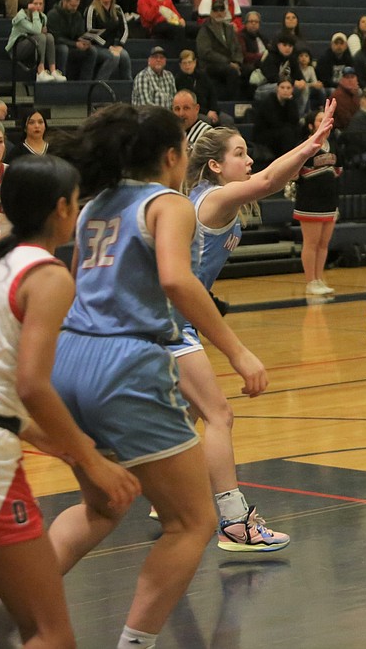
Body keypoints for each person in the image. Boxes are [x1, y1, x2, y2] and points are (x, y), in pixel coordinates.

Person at [47, 103, 267, 649]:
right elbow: (177, 279)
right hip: (125, 364)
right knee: (191, 523)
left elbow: (74, 282)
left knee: (104, 505)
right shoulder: (169, 203)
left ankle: (18, 604)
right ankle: (135, 644)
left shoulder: (95, 202)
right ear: (172, 157)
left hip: (70, 357)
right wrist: (238, 351)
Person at [0, 155, 140, 649]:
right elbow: (32, 384)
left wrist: (40, 438)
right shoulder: (48, 275)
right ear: (60, 209)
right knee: (49, 632)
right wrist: (89, 458)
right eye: (76, 203)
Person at [172, 109, 331, 552]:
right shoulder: (212, 200)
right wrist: (311, 144)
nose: (248, 160)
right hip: (168, 323)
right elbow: (265, 183)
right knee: (218, 415)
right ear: (216, 166)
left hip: (175, 320)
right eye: (239, 154)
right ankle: (234, 521)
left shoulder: (209, 197)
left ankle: (169, 495)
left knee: (188, 415)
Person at [294, 108, 340, 295]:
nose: (325, 123)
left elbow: (338, 168)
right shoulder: (306, 145)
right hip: (310, 201)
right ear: (312, 125)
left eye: (327, 120)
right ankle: (310, 281)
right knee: (311, 243)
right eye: (321, 120)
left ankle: (319, 278)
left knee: (323, 243)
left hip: (330, 200)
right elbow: (296, 171)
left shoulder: (333, 143)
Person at [7, 0, 64, 83]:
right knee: (40, 36)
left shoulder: (43, 17)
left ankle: (53, 70)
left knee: (49, 37)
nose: (38, 6)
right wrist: (35, 13)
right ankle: (40, 71)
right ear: (29, 4)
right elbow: (37, 30)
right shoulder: (21, 16)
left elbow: (41, 31)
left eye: (40, 4)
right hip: (16, 48)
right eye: (35, 4)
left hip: (32, 46)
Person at [84, 0, 133, 80]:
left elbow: (125, 30)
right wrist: (108, 46)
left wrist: (120, 45)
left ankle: (128, 84)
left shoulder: (118, 9)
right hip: (95, 46)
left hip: (112, 45)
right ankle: (100, 83)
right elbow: (90, 32)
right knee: (114, 57)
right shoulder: (92, 9)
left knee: (124, 55)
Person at [47, 0, 98, 81]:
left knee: (92, 51)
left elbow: (80, 33)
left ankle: (85, 82)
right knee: (63, 49)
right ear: (64, 1)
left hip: (72, 46)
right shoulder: (53, 15)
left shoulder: (77, 15)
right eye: (72, 5)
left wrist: (85, 41)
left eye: (76, 6)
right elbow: (56, 38)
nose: (74, 8)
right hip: (56, 46)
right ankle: (61, 80)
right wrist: (75, 44)